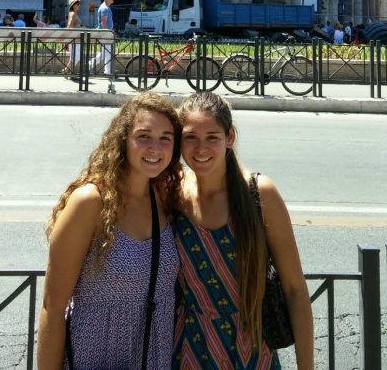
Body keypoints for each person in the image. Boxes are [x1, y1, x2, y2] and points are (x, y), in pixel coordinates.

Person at [37, 92, 182, 370]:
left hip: (153, 359)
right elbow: (52, 308)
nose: (155, 148)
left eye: (166, 138)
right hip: (93, 357)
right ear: (123, 140)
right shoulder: (91, 201)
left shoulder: (164, 197)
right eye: (144, 136)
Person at [173, 91, 314, 370]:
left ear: (230, 137)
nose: (201, 148)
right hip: (187, 351)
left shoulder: (260, 194)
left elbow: (295, 289)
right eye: (190, 137)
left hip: (252, 354)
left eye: (212, 137)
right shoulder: (172, 194)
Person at [92, 0, 116, 79]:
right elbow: (103, 22)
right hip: (105, 34)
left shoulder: (105, 7)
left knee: (105, 53)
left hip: (105, 33)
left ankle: (90, 66)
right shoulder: (105, 8)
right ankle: (108, 71)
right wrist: (107, 33)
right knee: (107, 53)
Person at [64, 0, 82, 78]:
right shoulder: (73, 13)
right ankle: (67, 71)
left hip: (74, 38)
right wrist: (67, 38)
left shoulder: (72, 13)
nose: (79, 5)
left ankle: (69, 72)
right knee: (76, 56)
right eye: (78, 3)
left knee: (74, 56)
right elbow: (69, 25)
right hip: (74, 38)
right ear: (73, 5)